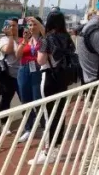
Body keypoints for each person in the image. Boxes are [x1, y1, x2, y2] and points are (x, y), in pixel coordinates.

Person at [32, 11, 76, 165]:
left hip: (49, 78)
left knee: (48, 115)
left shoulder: (47, 39)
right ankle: (56, 147)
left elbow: (40, 60)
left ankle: (48, 151)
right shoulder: (67, 37)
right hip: (63, 78)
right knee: (60, 113)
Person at [16, 16, 44, 143]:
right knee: (25, 100)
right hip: (24, 70)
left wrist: (36, 20)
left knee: (38, 99)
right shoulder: (25, 39)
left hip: (37, 70)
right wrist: (24, 42)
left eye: (34, 24)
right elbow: (18, 55)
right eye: (30, 25)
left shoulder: (43, 40)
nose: (32, 27)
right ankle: (28, 128)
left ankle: (44, 126)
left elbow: (45, 32)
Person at [0, 19, 21, 132]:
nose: (12, 28)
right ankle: (4, 124)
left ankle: (29, 123)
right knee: (6, 99)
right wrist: (10, 37)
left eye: (14, 25)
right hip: (8, 75)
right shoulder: (4, 40)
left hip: (21, 74)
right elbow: (8, 50)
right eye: (10, 26)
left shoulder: (21, 39)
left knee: (25, 99)